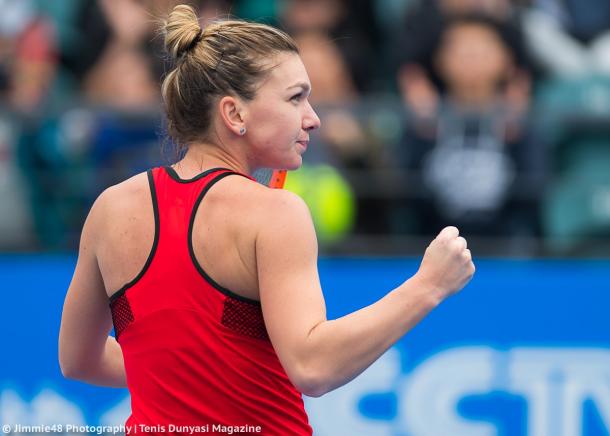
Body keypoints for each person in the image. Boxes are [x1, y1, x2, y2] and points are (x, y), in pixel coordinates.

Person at [58, 4, 475, 434]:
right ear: (234, 114)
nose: (313, 119)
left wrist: (178, 371)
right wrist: (429, 286)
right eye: (296, 97)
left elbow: (77, 359)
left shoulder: (110, 208)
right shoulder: (275, 212)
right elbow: (314, 367)